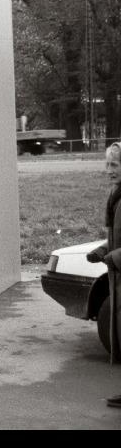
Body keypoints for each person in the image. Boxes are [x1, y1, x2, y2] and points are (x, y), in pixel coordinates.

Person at [87, 142, 121, 408]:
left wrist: (114, 257)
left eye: (115, 165)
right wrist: (102, 250)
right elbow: (117, 238)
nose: (109, 170)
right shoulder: (116, 196)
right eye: (107, 164)